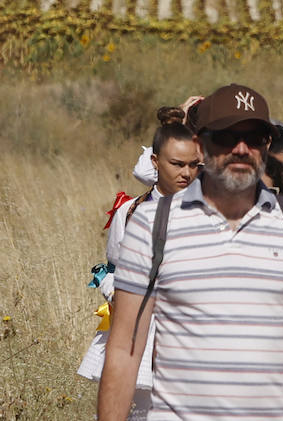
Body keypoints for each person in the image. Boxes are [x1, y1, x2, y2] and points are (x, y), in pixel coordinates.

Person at [98, 84, 283, 421]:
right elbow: (124, 350)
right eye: (226, 136)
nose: (241, 148)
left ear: (266, 145)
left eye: (253, 137)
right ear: (200, 143)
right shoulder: (153, 224)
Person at [78, 108, 200, 419]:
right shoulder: (129, 212)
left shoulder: (208, 215)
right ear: (155, 163)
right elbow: (111, 267)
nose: (186, 173)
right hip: (135, 328)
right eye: (177, 164)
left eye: (193, 165)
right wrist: (114, 293)